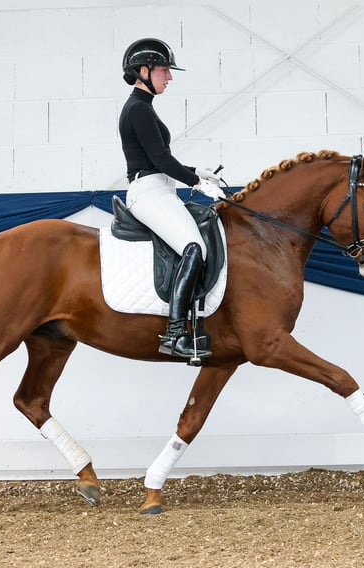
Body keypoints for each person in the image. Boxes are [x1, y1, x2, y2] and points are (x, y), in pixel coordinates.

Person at [119, 37, 224, 360]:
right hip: (148, 191)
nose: (170, 77)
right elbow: (161, 160)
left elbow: (159, 157)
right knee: (194, 247)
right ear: (143, 71)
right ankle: (176, 333)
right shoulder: (137, 109)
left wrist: (199, 172)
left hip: (159, 187)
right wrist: (196, 182)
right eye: (165, 70)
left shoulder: (144, 108)